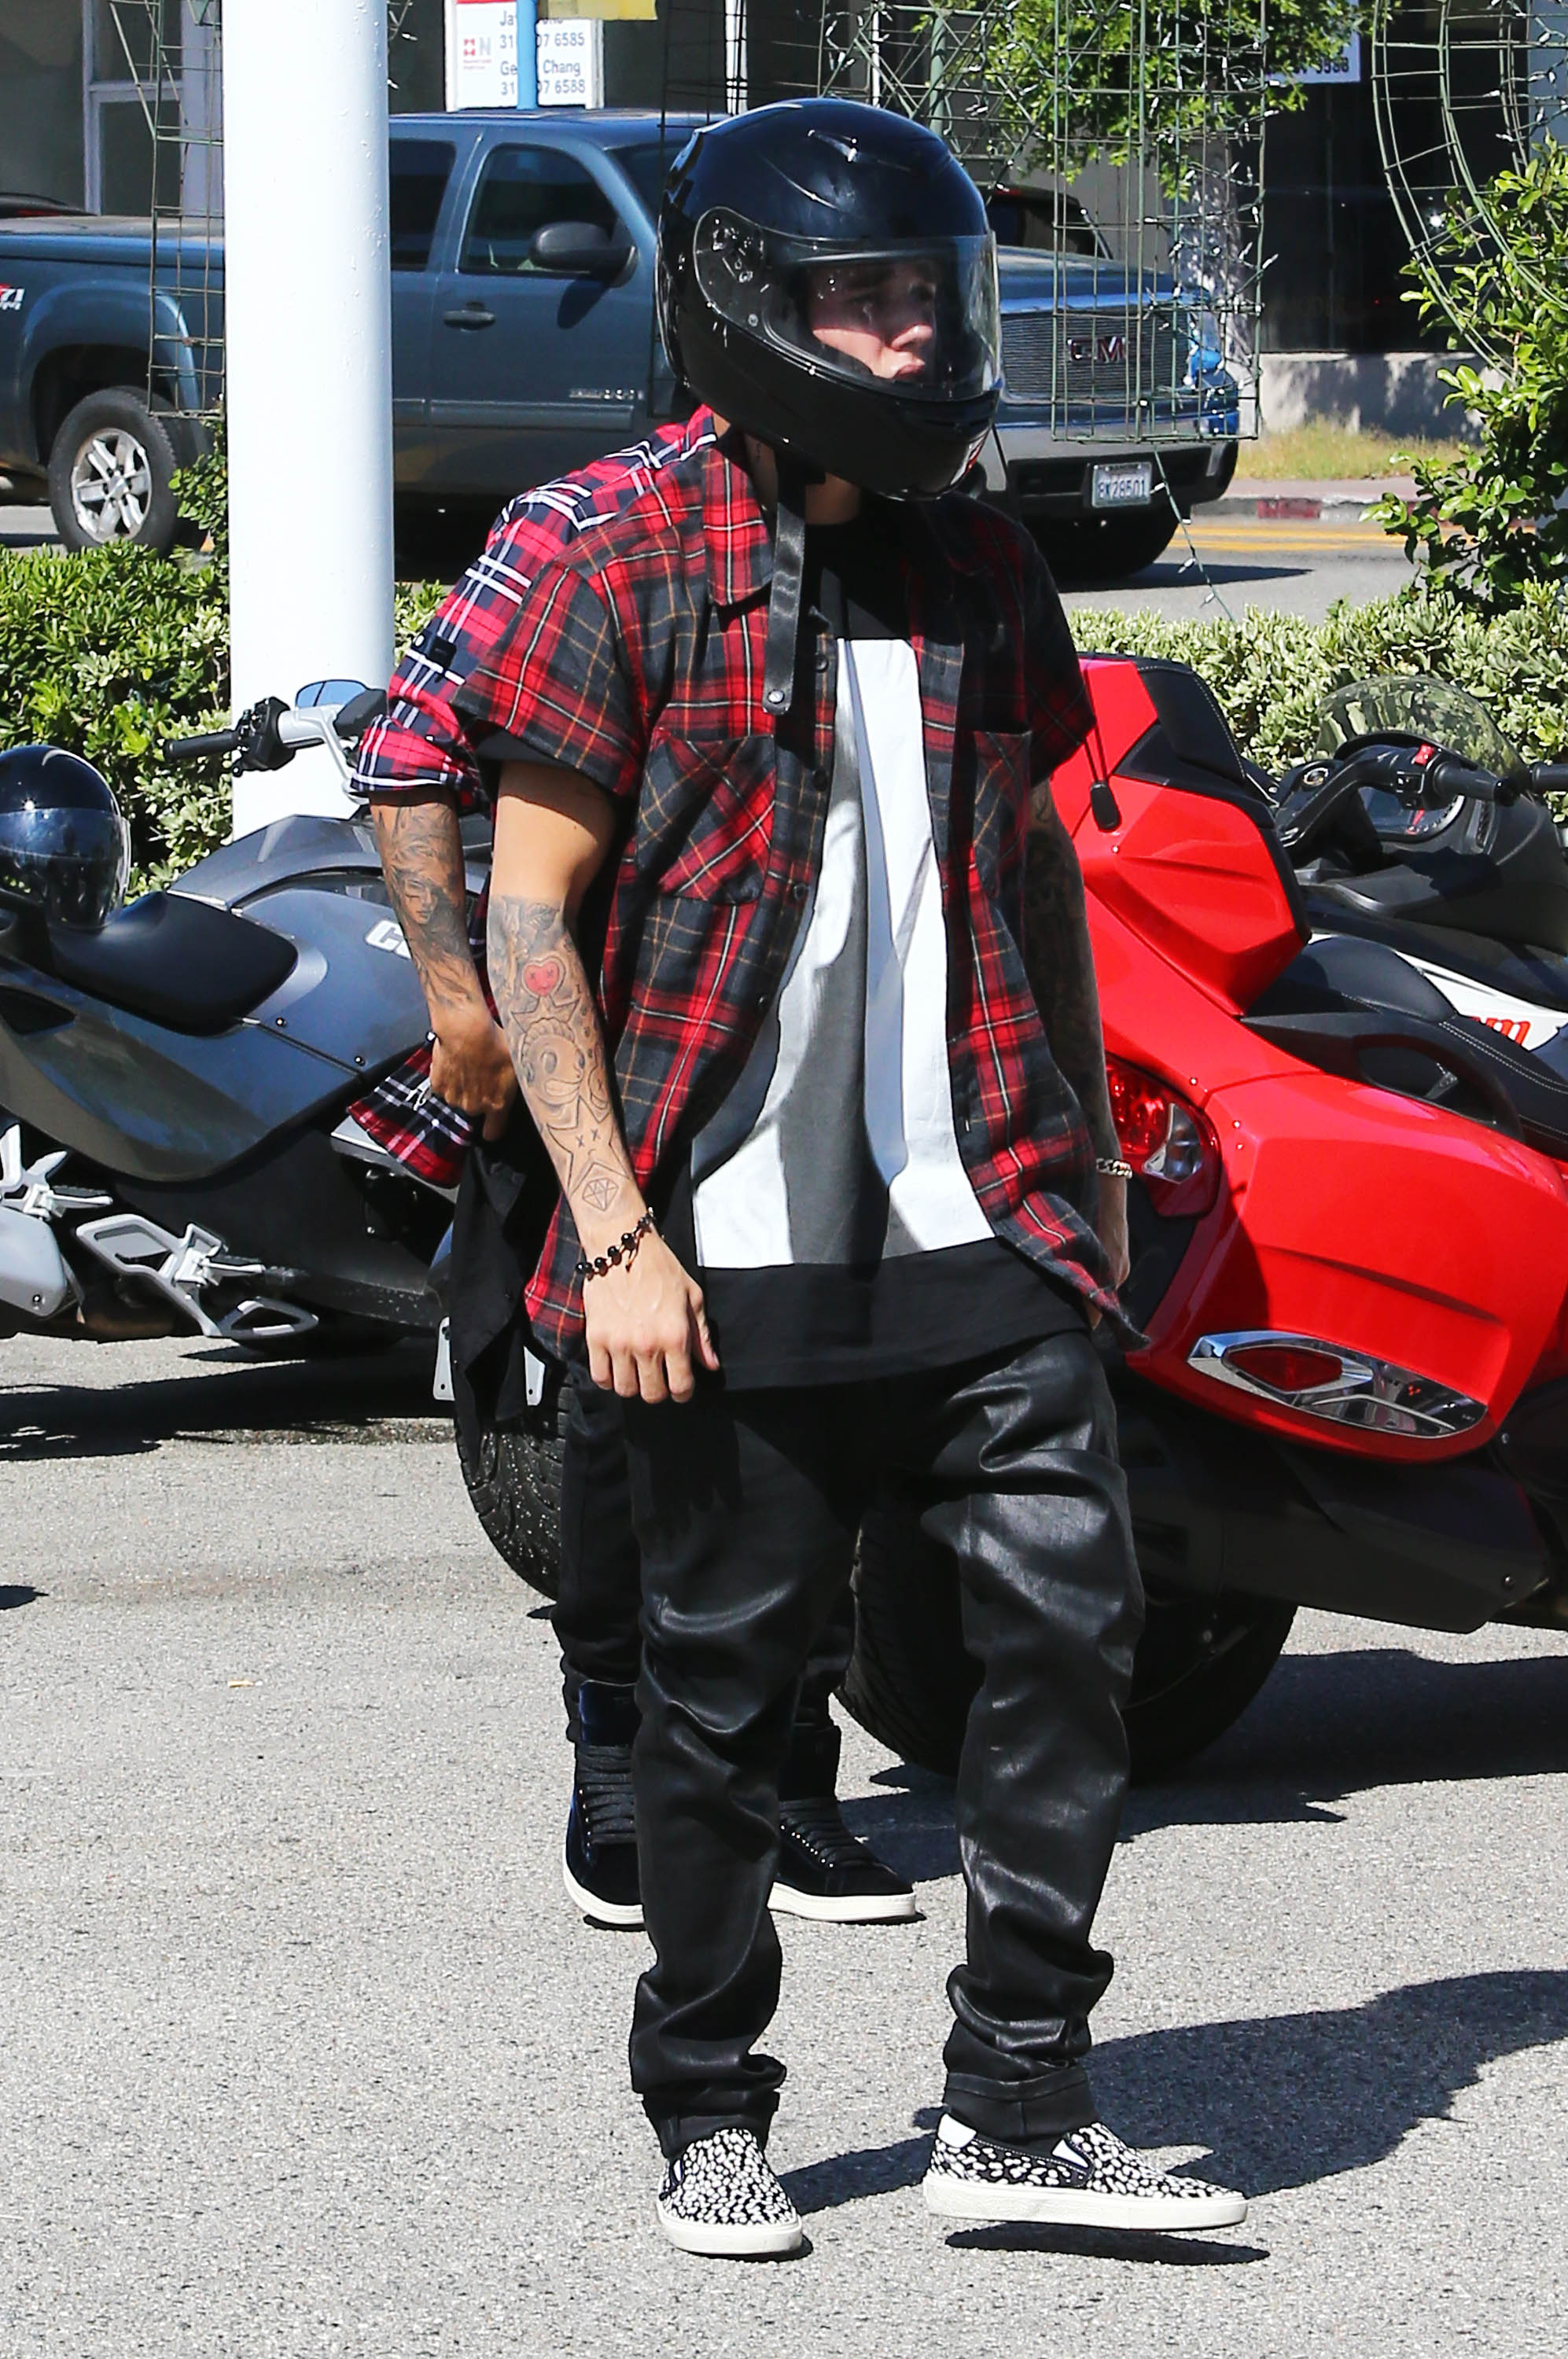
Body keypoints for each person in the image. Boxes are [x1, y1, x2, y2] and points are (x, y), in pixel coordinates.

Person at [457, 96, 1248, 2257]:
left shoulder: (980, 559)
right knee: (722, 1709)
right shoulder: (612, 550)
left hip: (980, 1212)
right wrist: (613, 1231)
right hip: (717, 1241)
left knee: (1070, 1640)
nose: (910, 332)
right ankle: (708, 2109)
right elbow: (528, 920)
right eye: (860, 298)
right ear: (746, 305)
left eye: (925, 293)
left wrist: (1087, 1171)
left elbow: (1030, 873)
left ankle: (1021, 2103)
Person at [351, 424, 916, 1932]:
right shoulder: (585, 527)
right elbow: (408, 754)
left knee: (822, 1400)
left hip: (833, 1043)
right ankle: (614, 1752)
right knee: (624, 1405)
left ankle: (790, 1766)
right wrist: (461, 1006)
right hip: (614, 1041)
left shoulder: (914, 517)